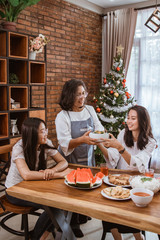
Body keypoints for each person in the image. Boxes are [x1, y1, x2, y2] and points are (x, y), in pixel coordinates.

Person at [5, 117, 71, 240]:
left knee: (61, 202)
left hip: (34, 187)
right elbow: (27, 175)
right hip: (15, 191)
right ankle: (36, 237)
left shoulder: (45, 143)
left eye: (45, 129)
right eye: (42, 131)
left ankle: (41, 236)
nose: (46, 133)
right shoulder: (19, 148)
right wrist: (59, 174)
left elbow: (63, 162)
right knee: (53, 205)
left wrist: (53, 170)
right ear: (32, 133)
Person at [98, 105, 156, 240]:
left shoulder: (150, 141)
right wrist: (99, 143)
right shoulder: (123, 134)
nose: (128, 121)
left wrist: (119, 147)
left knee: (132, 210)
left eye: (133, 118)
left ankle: (137, 235)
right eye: (128, 117)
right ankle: (117, 237)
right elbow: (113, 157)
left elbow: (137, 164)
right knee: (107, 206)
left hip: (137, 183)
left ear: (142, 121)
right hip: (119, 180)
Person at [55, 79, 104, 237]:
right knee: (71, 190)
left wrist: (98, 135)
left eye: (83, 93)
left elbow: (99, 128)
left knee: (85, 185)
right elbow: (64, 144)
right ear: (69, 96)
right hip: (69, 159)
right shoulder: (63, 116)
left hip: (87, 156)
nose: (82, 97)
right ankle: (72, 223)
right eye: (78, 94)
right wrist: (82, 140)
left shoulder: (90, 110)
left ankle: (80, 215)